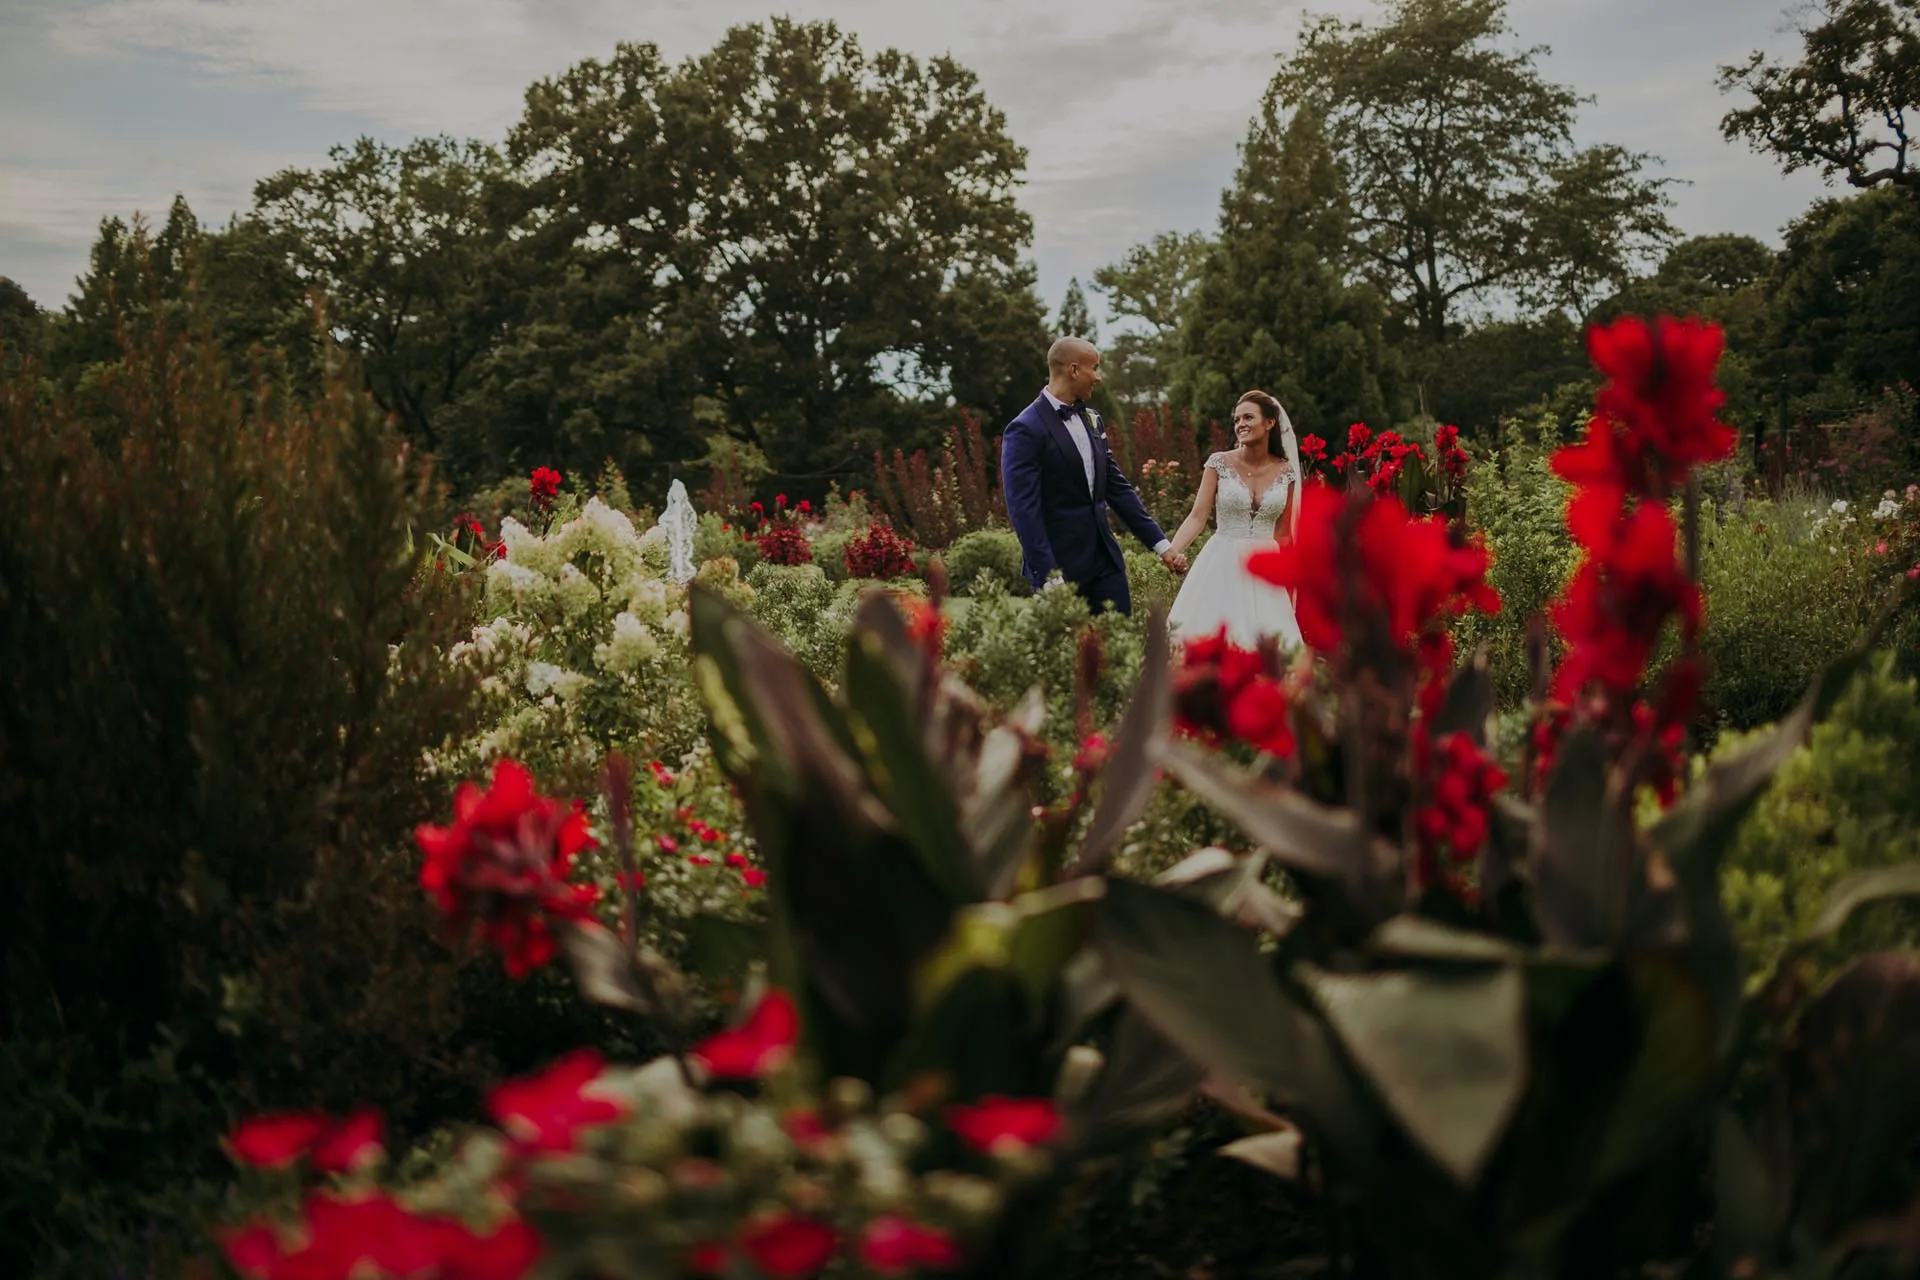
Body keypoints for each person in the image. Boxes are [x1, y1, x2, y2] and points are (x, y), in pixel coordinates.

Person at [999, 337, 1186, 614]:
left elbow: (1117, 488)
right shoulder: (1025, 429)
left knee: (1121, 648)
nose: (1098, 377)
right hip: (1059, 570)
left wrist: (1162, 546)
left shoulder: (1092, 419)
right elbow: (1023, 511)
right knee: (1072, 655)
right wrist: (1050, 576)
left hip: (1106, 563)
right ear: (1074, 370)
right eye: (1094, 368)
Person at [1164, 389, 1303, 648]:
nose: (1240, 425)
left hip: (1264, 568)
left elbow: (1283, 533)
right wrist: (1171, 551)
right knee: (1209, 638)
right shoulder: (1218, 464)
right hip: (1221, 562)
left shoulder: (1286, 471)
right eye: (1237, 420)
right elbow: (1197, 517)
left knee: (1269, 648)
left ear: (1269, 422)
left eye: (1248, 418)